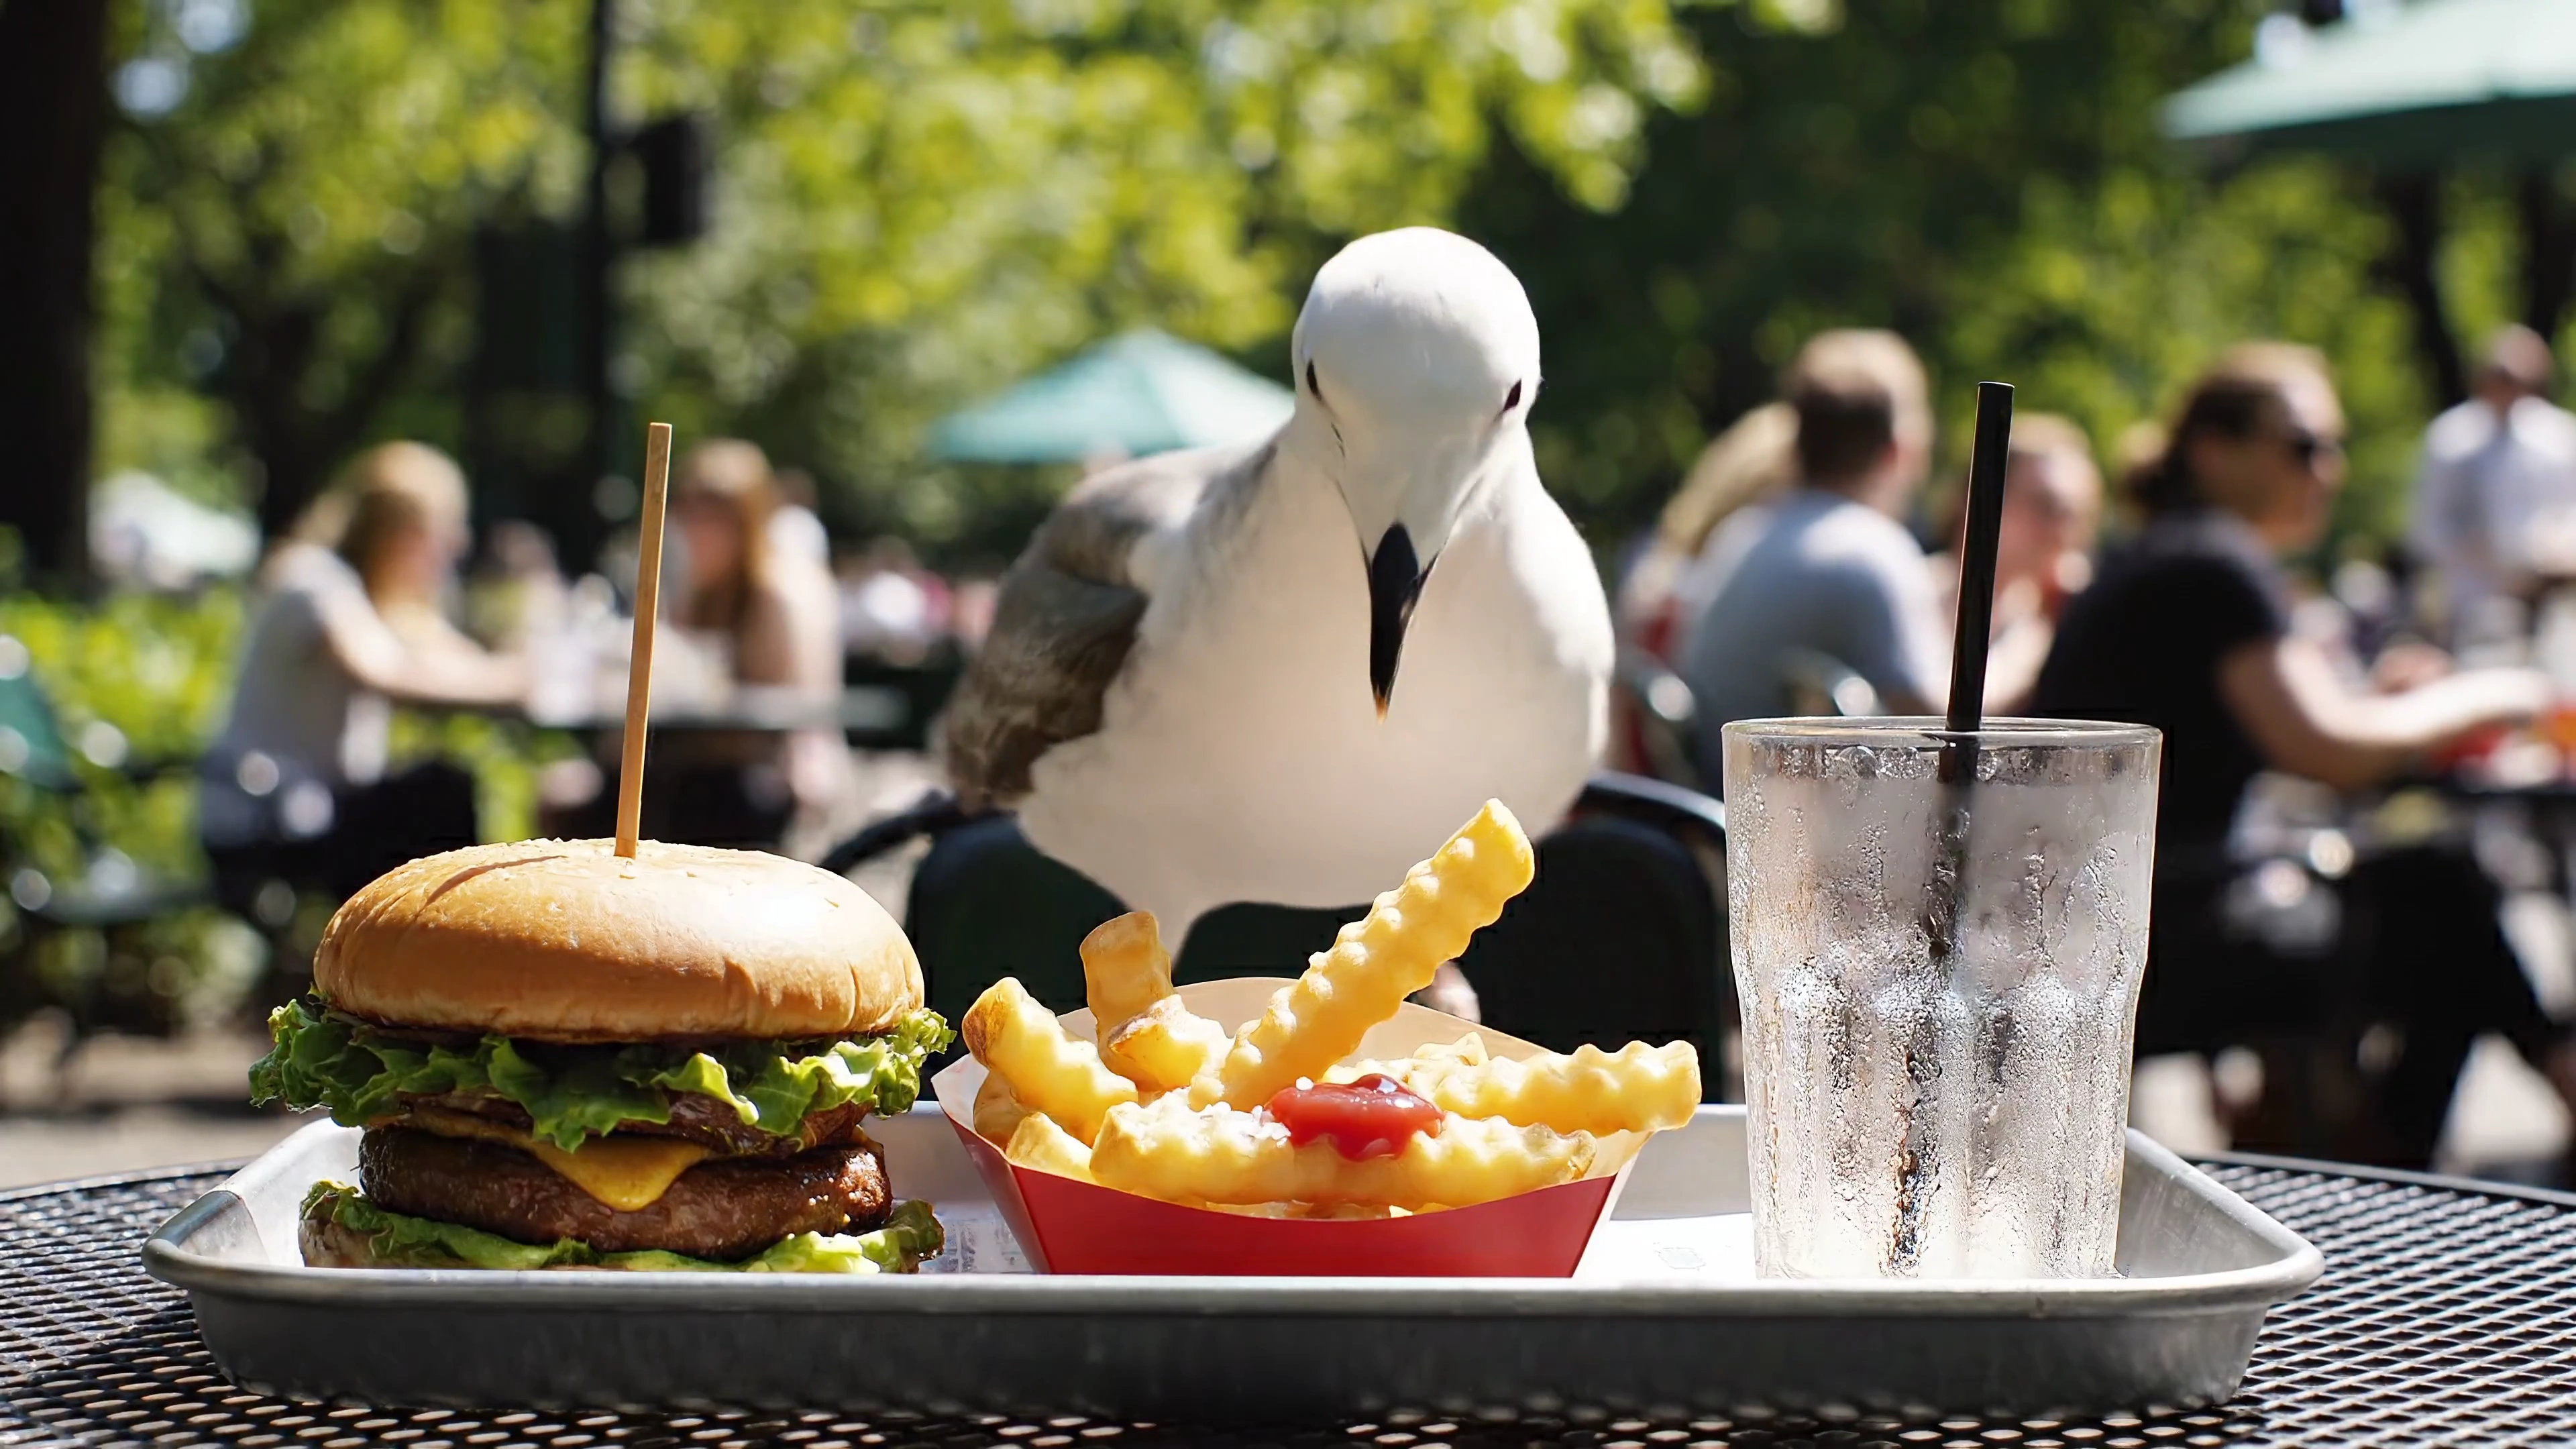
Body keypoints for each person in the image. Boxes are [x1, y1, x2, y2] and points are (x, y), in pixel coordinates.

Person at [2031, 342, 2576, 1167]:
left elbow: (2302, 725)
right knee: (2442, 897)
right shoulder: (2214, 564)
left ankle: (2361, 1148)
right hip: (2155, 936)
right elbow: (2332, 750)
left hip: (2108, 919)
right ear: (2215, 452)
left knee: (2432, 890)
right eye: (2305, 445)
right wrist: (2502, 691)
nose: (2330, 468)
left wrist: (2394, 704)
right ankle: (2383, 1168)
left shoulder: (2173, 555)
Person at [200, 442, 526, 906]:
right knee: (440, 793)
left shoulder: (359, 594)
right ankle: (446, 944)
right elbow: (385, 672)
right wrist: (513, 683)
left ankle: (433, 948)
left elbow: (447, 661)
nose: (455, 549)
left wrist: (513, 672)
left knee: (435, 793)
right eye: (443, 532)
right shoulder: (314, 580)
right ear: (400, 533)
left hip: (307, 806)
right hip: (264, 813)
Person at [1674, 330, 1946, 771]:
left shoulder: (1742, 531)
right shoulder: (1873, 551)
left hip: (1719, 800)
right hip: (1802, 827)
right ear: (1900, 452)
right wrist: (2035, 634)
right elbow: (1945, 730)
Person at [559, 440, 849, 849]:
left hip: (752, 772)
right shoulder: (690, 590)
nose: (698, 531)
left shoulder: (779, 595)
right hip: (690, 763)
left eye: (715, 519)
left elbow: (798, 703)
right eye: (691, 516)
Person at [2410, 324, 2576, 643]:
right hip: (2471, 600)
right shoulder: (2450, 440)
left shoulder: (2558, 437)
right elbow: (2426, 526)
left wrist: (2551, 550)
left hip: (2551, 599)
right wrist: (2475, 551)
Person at [1929, 412, 2102, 713]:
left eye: (2079, 515)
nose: (2064, 530)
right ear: (1980, 496)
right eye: (2046, 506)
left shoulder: (2050, 614)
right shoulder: (1913, 591)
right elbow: (1937, 714)